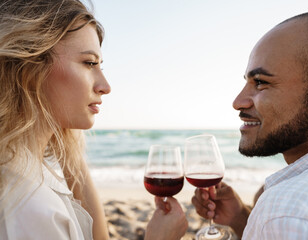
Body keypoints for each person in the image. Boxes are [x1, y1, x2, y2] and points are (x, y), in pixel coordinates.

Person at [0, 0, 187, 239]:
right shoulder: (30, 207)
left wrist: (65, 136)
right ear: (30, 66)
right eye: (89, 63)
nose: (105, 87)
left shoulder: (26, 172)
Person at [192, 9, 308, 239]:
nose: (237, 102)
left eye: (261, 82)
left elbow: (292, 221)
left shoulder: (288, 212)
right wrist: (242, 219)